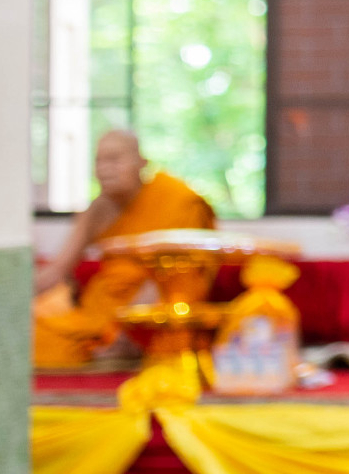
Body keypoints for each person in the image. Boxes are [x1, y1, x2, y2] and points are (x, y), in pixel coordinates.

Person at [31, 130, 216, 367]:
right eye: (99, 161)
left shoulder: (177, 200)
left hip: (149, 315)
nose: (104, 169)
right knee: (24, 334)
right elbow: (57, 271)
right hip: (97, 317)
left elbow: (176, 280)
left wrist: (130, 328)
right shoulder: (97, 210)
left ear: (141, 163)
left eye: (114, 159)